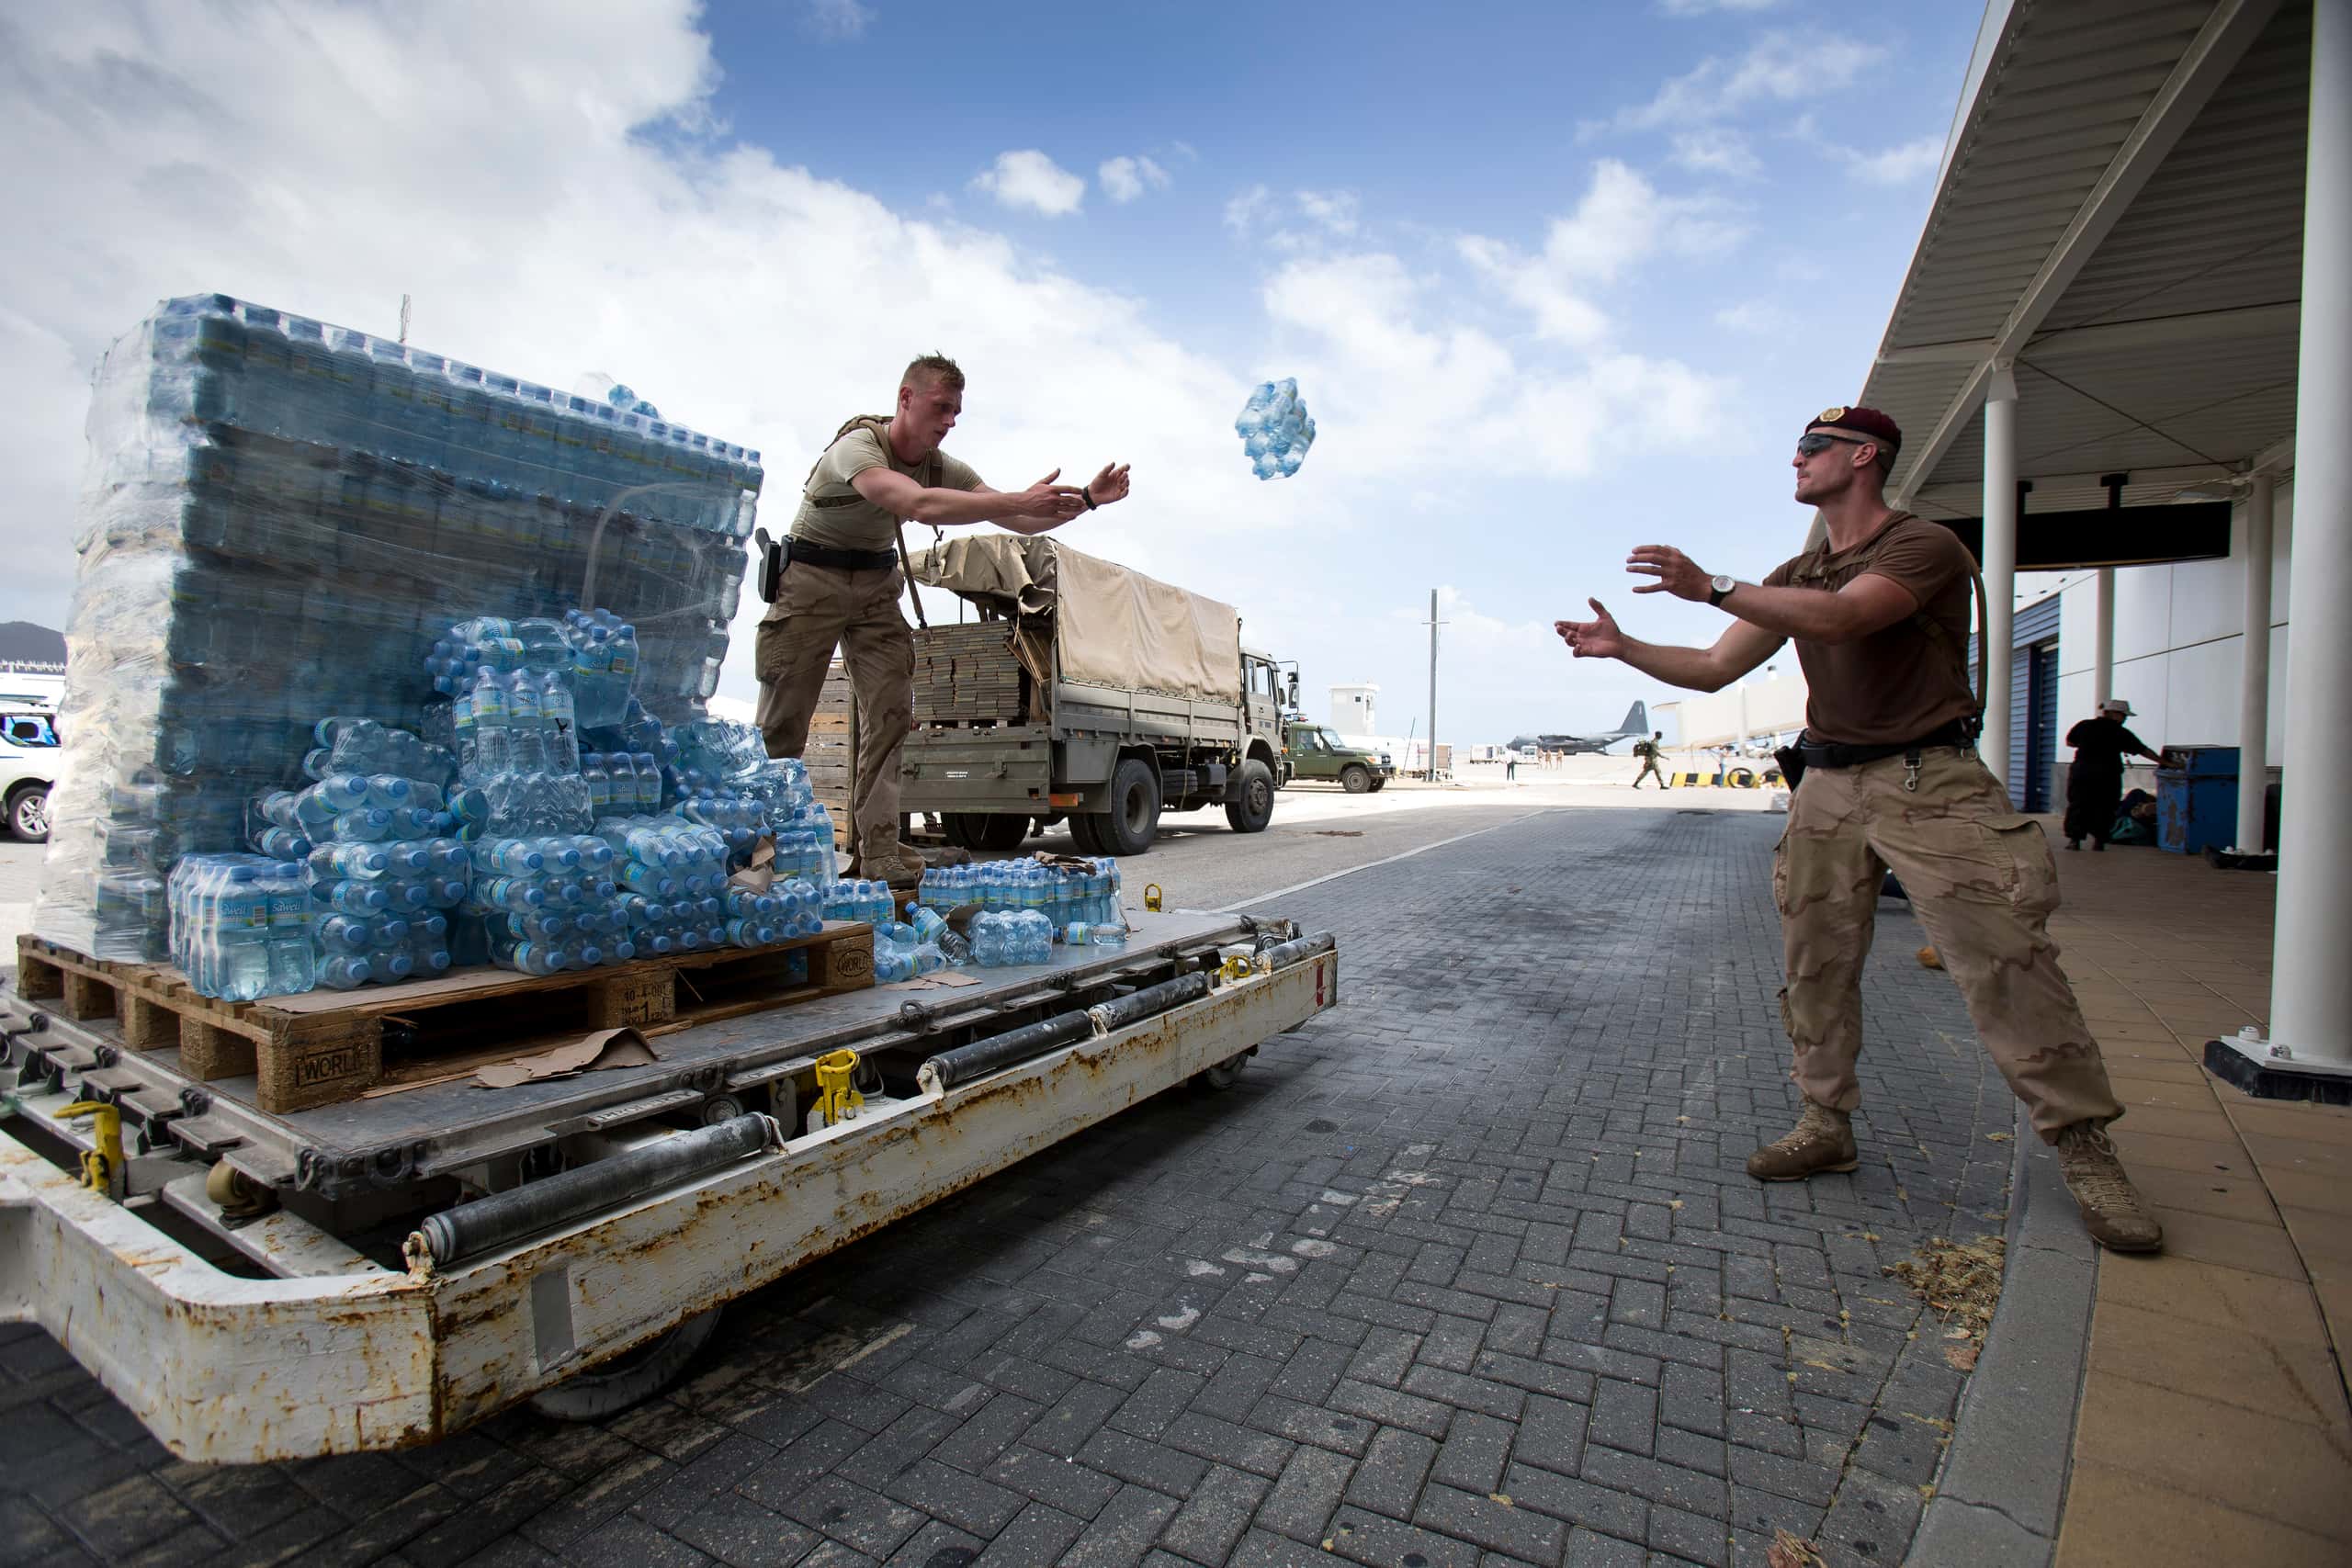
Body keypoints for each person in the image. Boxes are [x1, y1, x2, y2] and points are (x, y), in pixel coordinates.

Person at [1553, 403, 2162, 1254]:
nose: (1796, 460)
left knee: (2005, 962)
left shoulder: (1923, 546)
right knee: (1815, 964)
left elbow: (1847, 618)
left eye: (1813, 448)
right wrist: (1626, 648)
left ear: (1864, 455)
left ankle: (2085, 1145)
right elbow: (1715, 667)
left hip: (1930, 780)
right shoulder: (1796, 570)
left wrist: (1712, 585)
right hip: (1828, 784)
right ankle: (1824, 1120)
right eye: (1797, 447)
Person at [755, 354, 1132, 884]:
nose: (950, 421)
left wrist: (1089, 499)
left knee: (890, 717)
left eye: (957, 411)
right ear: (906, 399)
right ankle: (760, 852)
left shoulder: (942, 465)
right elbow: (918, 504)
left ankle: (880, 854)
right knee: (783, 726)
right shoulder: (856, 448)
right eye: (941, 407)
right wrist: (1015, 497)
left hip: (874, 588)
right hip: (811, 580)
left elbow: (1018, 517)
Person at [2063, 697, 2161, 851]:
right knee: (2105, 807)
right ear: (2113, 713)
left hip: (2081, 773)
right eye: (2123, 715)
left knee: (2079, 805)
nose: (2125, 719)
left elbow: (2070, 742)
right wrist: (2164, 762)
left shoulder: (2084, 725)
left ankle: (2074, 840)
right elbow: (2143, 751)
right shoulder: (2121, 732)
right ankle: (2099, 841)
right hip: (2107, 775)